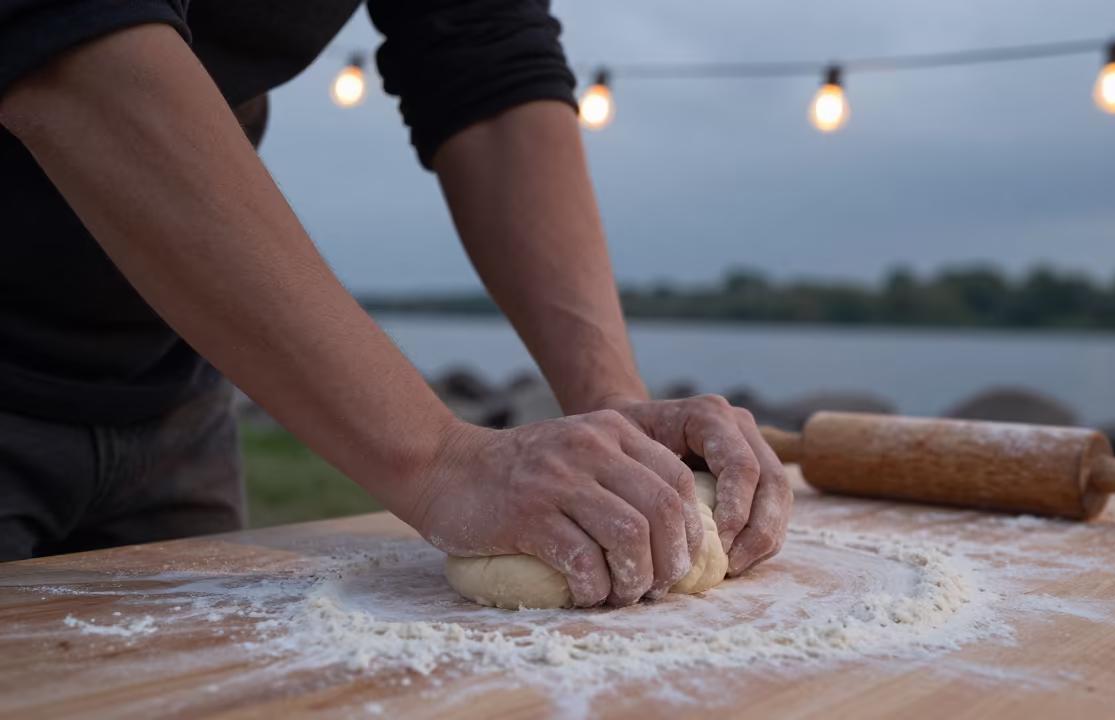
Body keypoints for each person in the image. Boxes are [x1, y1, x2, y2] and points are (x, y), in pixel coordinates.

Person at [0, 0, 793, 606]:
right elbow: (69, 36)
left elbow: (485, 55)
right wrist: (441, 460)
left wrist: (614, 406)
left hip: (169, 368)